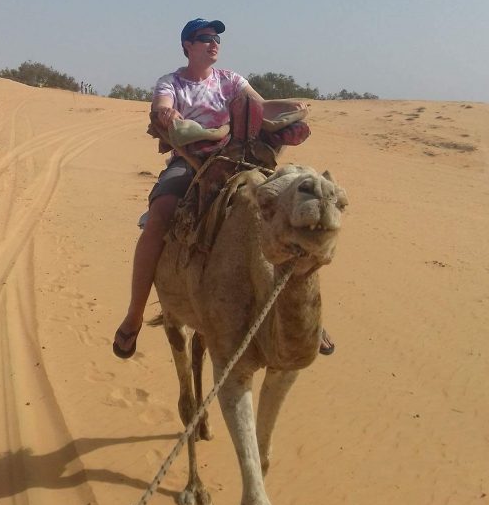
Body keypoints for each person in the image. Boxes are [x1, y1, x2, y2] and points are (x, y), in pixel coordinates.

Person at [112, 18, 335, 358]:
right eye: (204, 38)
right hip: (192, 161)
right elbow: (163, 111)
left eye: (216, 38)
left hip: (242, 157)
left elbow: (260, 108)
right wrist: (171, 120)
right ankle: (134, 315)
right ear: (187, 45)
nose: (213, 43)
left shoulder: (231, 80)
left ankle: (305, 314)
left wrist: (293, 108)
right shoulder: (171, 83)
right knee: (159, 217)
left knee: (287, 213)